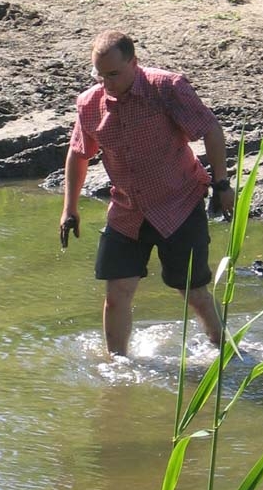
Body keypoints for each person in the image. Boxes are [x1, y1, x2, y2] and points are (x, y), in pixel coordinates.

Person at [60, 30, 235, 356]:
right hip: (127, 210)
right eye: (99, 75)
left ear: (134, 63)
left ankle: (224, 348)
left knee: (193, 292)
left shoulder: (166, 89)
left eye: (114, 74)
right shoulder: (90, 104)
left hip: (179, 204)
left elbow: (210, 128)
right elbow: (78, 153)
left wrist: (221, 183)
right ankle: (118, 365)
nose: (106, 83)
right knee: (116, 294)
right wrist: (69, 208)